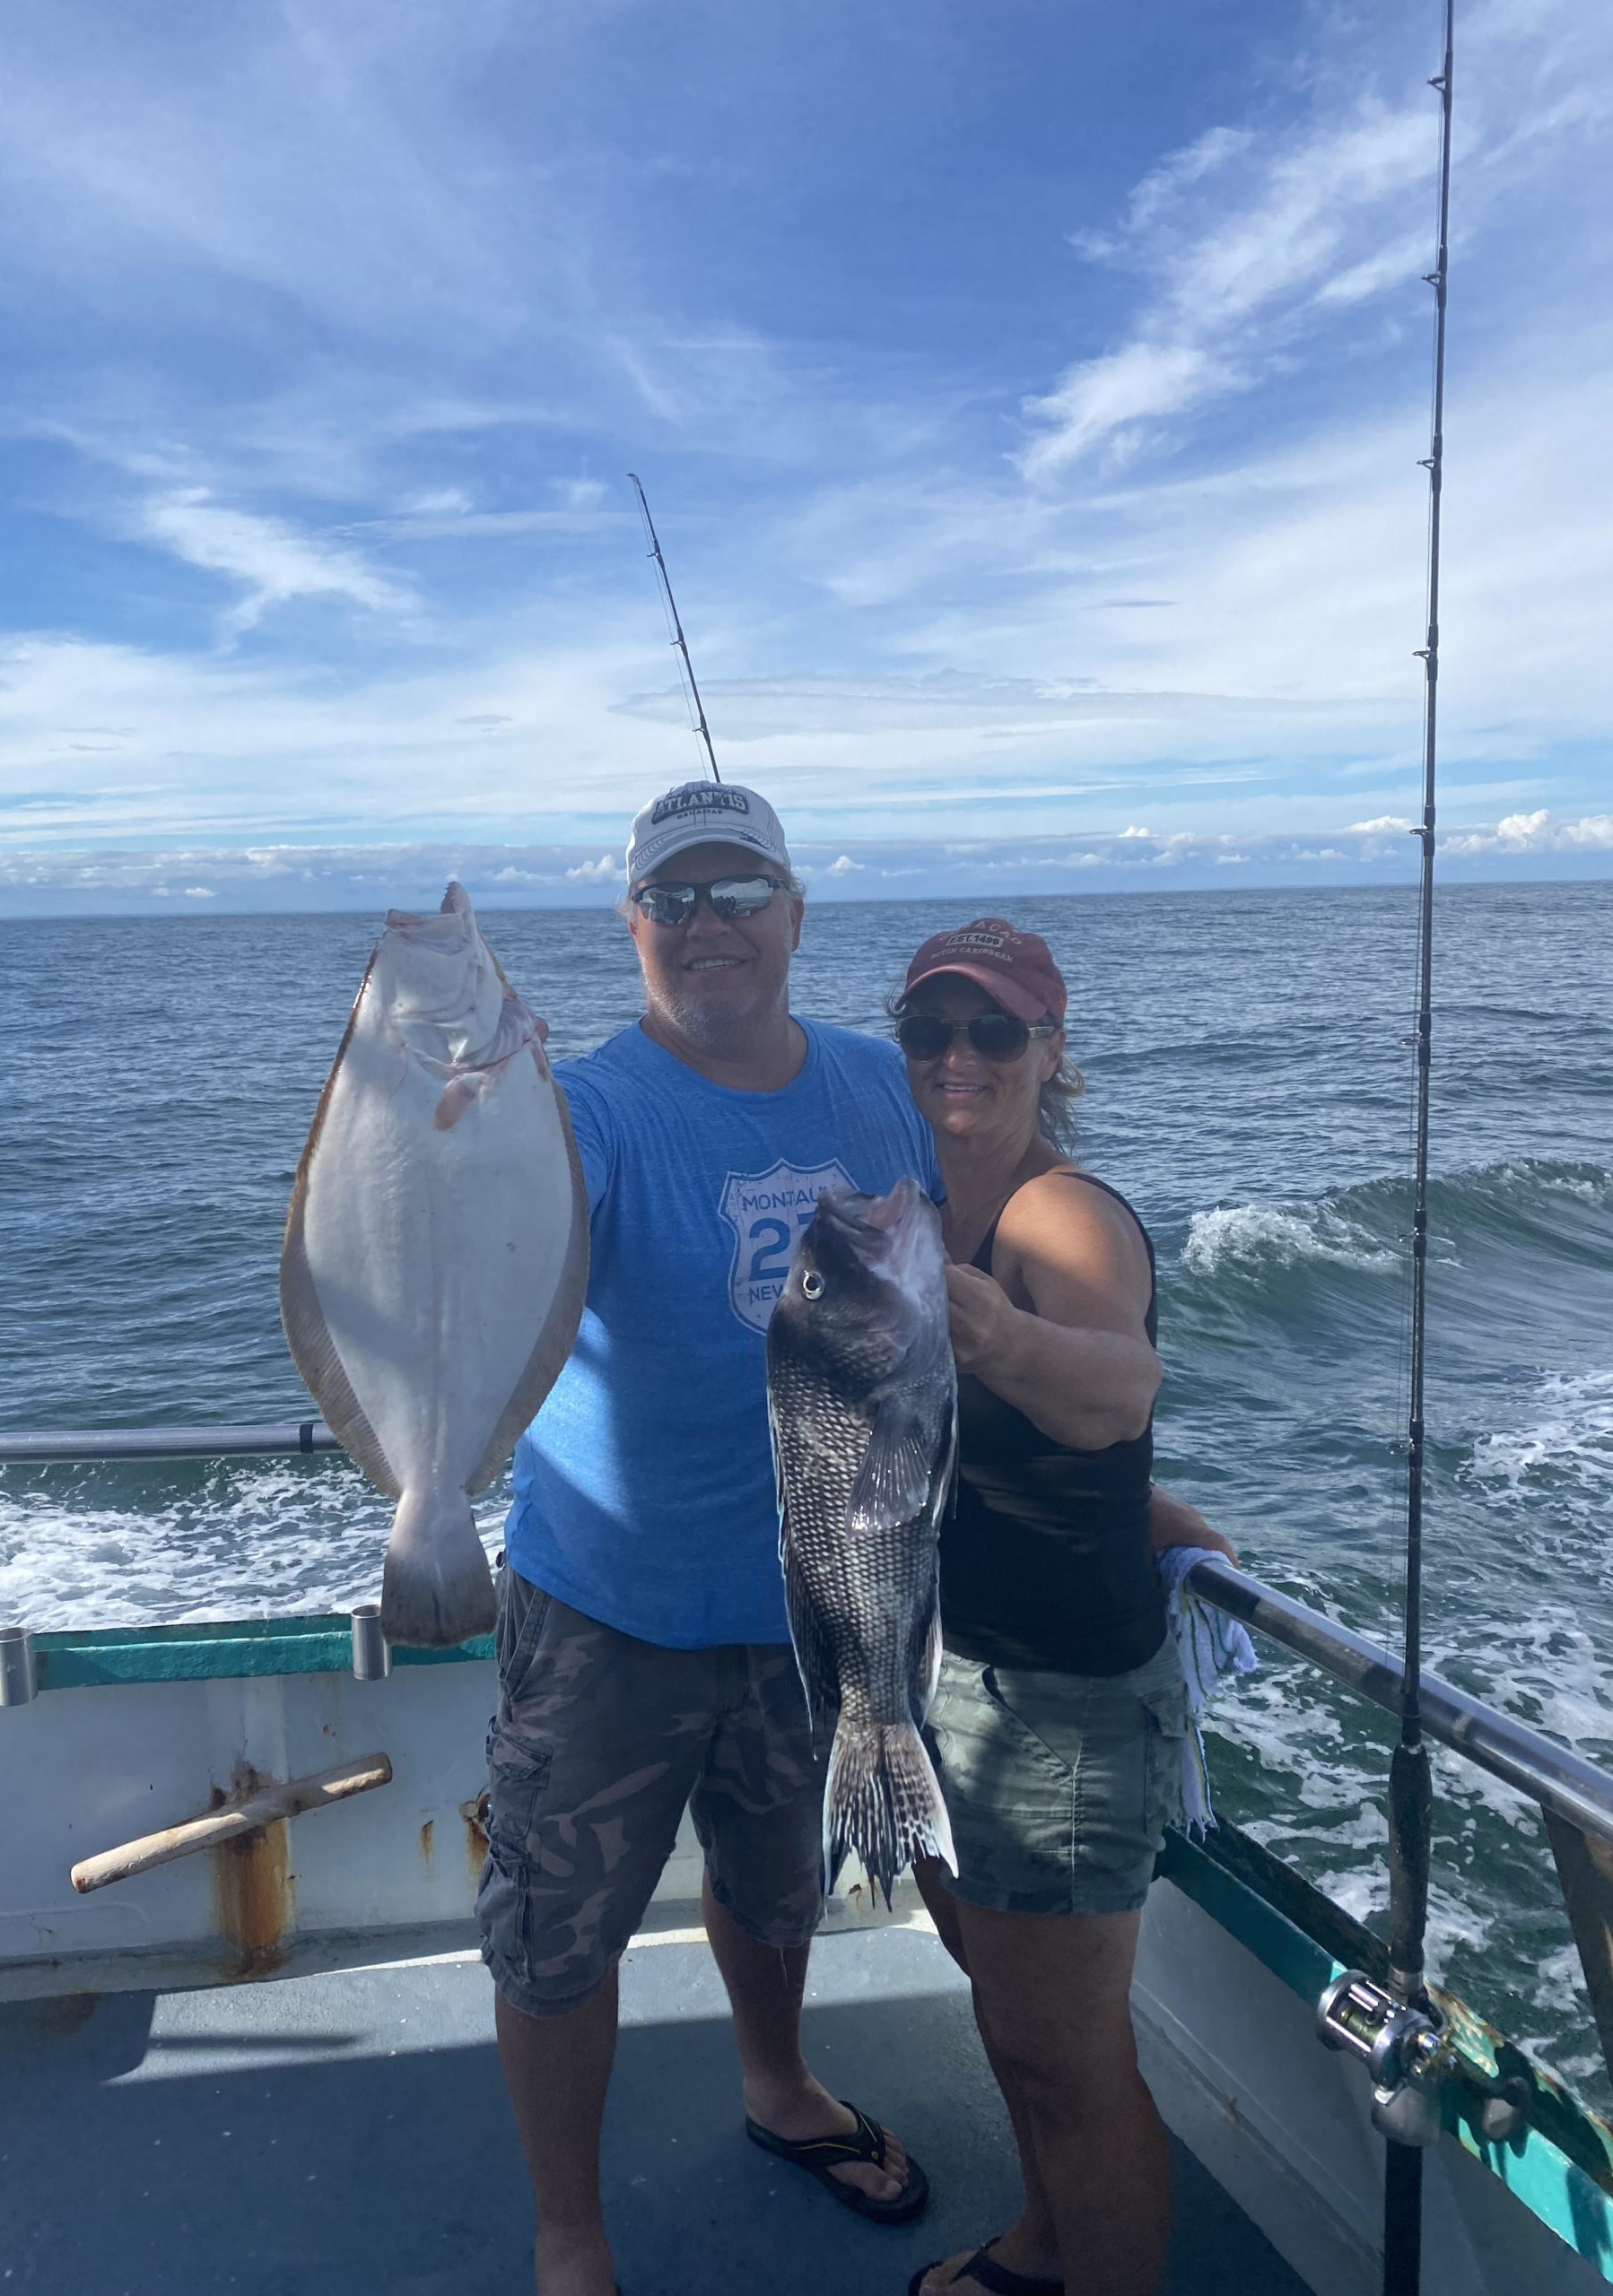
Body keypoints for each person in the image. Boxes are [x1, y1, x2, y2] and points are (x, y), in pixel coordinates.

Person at [480, 780, 935, 2296]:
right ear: (631, 930)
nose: (707, 924)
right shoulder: (596, 1105)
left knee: (771, 1882)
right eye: (673, 899)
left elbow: (978, 1290)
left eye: (740, 893)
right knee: (560, 1931)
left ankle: (775, 2081)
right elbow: (502, 1224)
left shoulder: (880, 1086)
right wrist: (465, 1106)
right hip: (605, 1608)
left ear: (799, 915)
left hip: (820, 1595)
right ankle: (569, 2229)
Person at [895, 918, 1194, 2296]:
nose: (959, 1057)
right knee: (1008, 2020)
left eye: (994, 1031)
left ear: (1050, 1050)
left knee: (1071, 2063)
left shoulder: (1054, 1214)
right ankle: (1041, 2245)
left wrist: (998, 1336)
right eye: (931, 1031)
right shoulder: (926, 1207)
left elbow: (1118, 1384)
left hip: (1056, 1701)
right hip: (949, 1675)